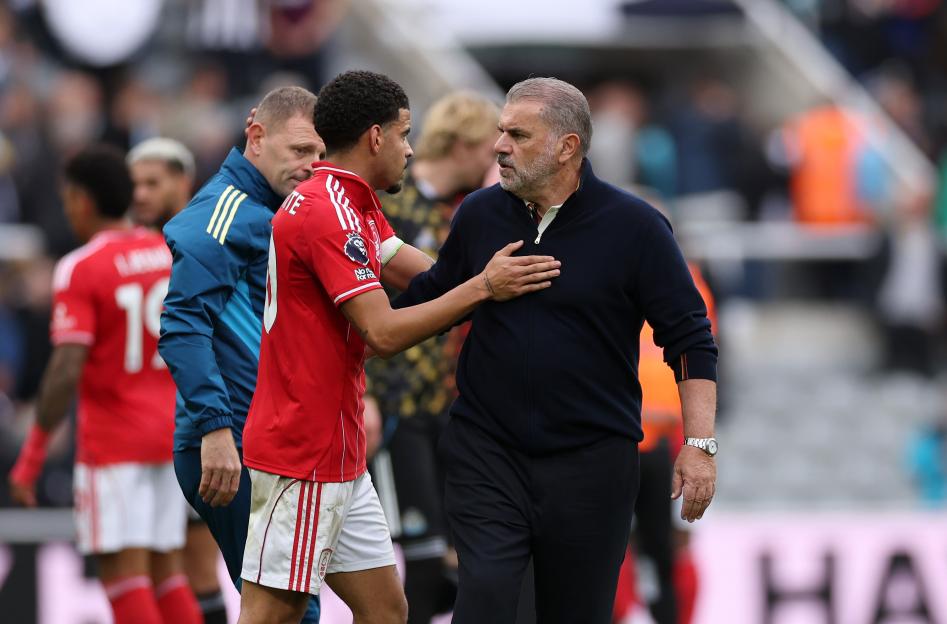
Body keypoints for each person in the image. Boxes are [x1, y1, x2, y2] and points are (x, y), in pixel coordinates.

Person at [236, 69, 560, 624]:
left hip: (340, 446)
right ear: (375, 138)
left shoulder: (353, 204)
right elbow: (383, 332)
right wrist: (485, 287)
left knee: (388, 611)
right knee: (272, 615)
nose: (412, 149)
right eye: (405, 134)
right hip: (303, 449)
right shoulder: (326, 211)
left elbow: (423, 276)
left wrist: (502, 291)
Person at [394, 77, 719, 624]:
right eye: (500, 132)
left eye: (517, 135)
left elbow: (689, 336)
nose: (499, 146)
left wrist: (701, 444)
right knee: (487, 605)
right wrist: (363, 254)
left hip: (593, 462)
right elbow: (432, 297)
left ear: (567, 147)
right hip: (486, 452)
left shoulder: (635, 226)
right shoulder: (478, 213)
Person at [7, 144, 202, 624]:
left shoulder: (81, 265)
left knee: (124, 579)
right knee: (168, 574)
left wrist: (31, 456)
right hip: (169, 437)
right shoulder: (165, 252)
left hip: (114, 445)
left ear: (81, 200)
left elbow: (65, 368)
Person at [158, 86, 325, 624]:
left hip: (280, 441)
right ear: (256, 136)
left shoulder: (281, 209)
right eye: (300, 150)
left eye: (321, 155)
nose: (312, 166)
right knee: (290, 610)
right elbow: (182, 325)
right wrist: (214, 428)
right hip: (235, 444)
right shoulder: (227, 210)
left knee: (376, 602)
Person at [365, 90, 500, 623]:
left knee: (453, 562)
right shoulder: (388, 206)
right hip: (392, 403)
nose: (496, 160)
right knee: (419, 559)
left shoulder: (458, 214)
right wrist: (368, 393)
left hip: (443, 404)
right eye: (490, 148)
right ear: (465, 144)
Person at [128, 136, 230, 624]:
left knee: (196, 565)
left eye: (153, 182)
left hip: (198, 424)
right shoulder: (132, 251)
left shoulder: (204, 240)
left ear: (183, 181)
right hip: (145, 433)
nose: (141, 194)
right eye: (134, 185)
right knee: (167, 569)